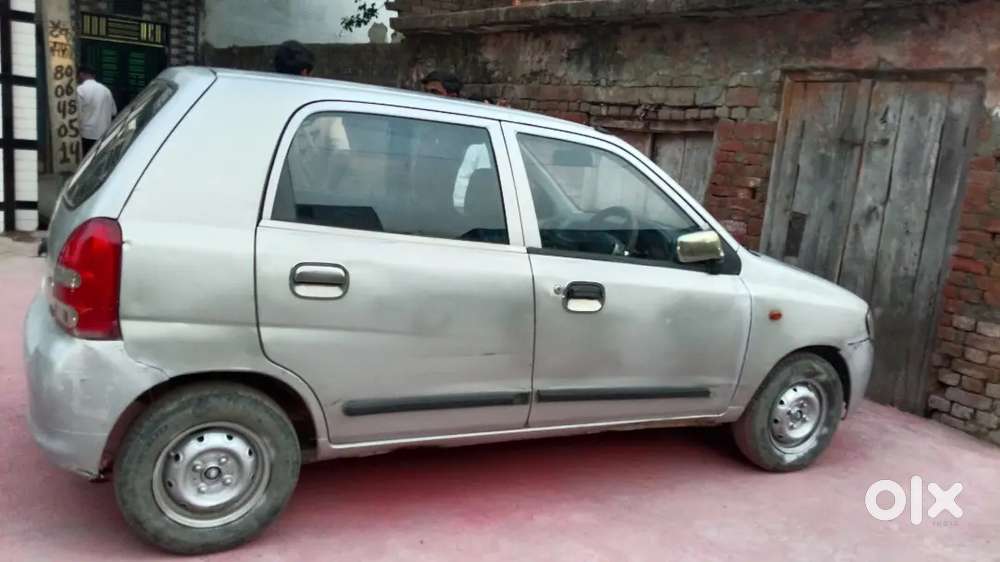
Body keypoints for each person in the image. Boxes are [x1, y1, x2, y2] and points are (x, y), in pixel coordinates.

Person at [76, 66, 117, 155]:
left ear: (81, 74)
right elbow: (114, 112)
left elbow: (76, 114)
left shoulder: (80, 90)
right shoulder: (106, 90)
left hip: (86, 135)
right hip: (104, 134)